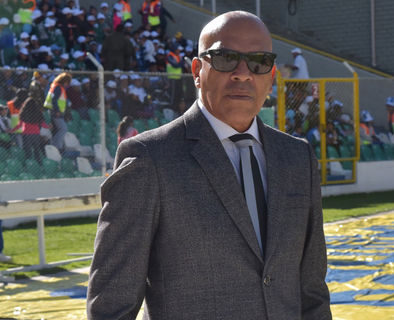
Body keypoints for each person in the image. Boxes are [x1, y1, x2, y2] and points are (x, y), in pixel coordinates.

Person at [87, 10, 331, 319]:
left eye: (258, 62)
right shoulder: (150, 158)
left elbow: (312, 293)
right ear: (197, 70)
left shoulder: (298, 157)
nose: (243, 73)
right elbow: (111, 307)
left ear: (271, 77)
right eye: (226, 58)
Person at [10, 97, 49, 163]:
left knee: (28, 151)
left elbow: (19, 125)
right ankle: (38, 164)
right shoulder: (38, 113)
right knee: (36, 150)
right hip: (36, 134)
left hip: (27, 134)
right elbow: (43, 124)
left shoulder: (24, 112)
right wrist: (48, 127)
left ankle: (29, 163)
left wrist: (11, 130)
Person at [43, 72, 72, 151]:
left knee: (56, 130)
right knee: (63, 128)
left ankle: (55, 145)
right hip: (56, 112)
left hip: (56, 112)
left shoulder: (57, 87)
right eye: (67, 82)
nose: (67, 85)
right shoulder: (58, 88)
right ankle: (56, 146)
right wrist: (57, 110)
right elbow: (54, 100)